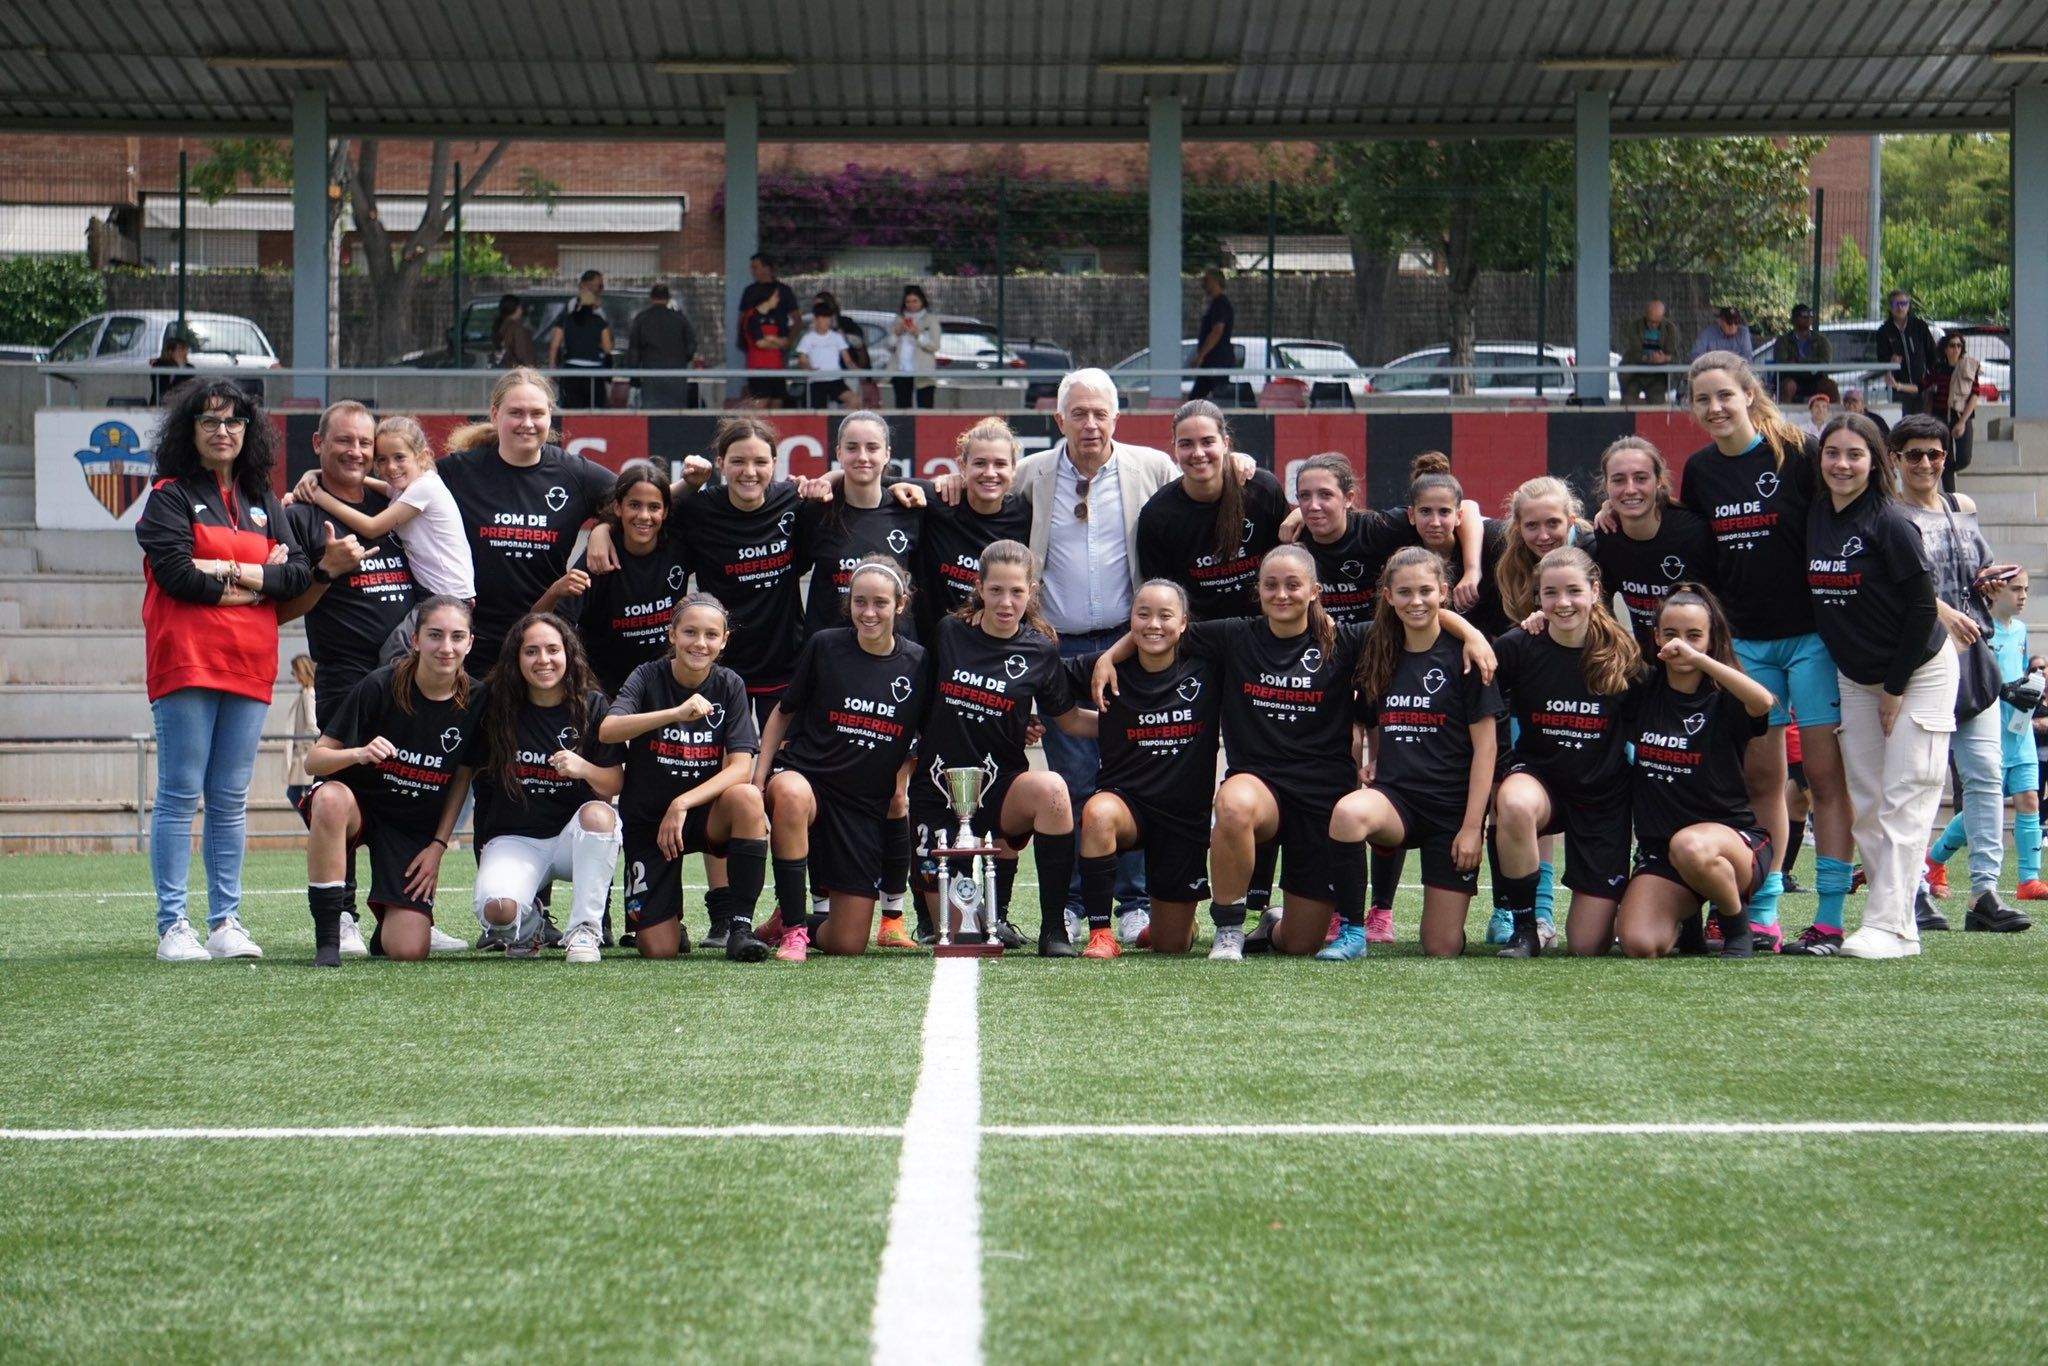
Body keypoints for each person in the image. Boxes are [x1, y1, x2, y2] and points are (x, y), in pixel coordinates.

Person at [1093, 543, 1495, 960]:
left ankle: (1274, 927)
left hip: (1322, 801)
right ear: (1259, 591)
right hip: (1259, 788)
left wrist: (1471, 633)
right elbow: (1162, 629)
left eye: (1292, 585)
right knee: (1232, 803)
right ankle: (1229, 929)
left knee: (1300, 945)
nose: (1281, 595)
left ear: (1315, 590)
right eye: (1271, 586)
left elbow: (1415, 616)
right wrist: (1110, 656)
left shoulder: (1343, 639)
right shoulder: (1235, 636)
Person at [1671, 350, 1846, 954]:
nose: (1715, 408)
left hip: (1811, 636)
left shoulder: (1795, 452)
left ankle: (1828, 914)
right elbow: (1690, 543)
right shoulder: (1699, 471)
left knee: (1823, 778)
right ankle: (1766, 907)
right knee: (1764, 778)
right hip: (1745, 643)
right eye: (1702, 399)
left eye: (1725, 395)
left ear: (1749, 393)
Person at [137, 377, 312, 963]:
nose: (222, 431)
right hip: (186, 660)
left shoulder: (265, 498)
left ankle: (225, 921)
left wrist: (222, 568)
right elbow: (177, 576)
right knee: (180, 792)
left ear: (248, 430)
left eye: (233, 421)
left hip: (249, 663)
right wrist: (256, 577)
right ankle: (172, 926)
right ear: (190, 431)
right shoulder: (168, 495)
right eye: (209, 421)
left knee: (230, 797)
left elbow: (297, 577)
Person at [1005, 368, 1181, 939]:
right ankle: (1080, 901)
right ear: (1059, 420)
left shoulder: (1152, 469)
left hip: (1134, 646)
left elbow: (1211, 493)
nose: (1089, 423)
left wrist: (1243, 465)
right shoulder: (1030, 475)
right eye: (1077, 413)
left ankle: (1133, 901)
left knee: (1130, 775)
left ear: (1116, 418)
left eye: (1099, 412)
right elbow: (978, 506)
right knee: (1073, 776)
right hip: (1059, 650)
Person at [1802, 411, 1954, 959]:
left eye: (1855, 454)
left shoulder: (1890, 522)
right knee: (1866, 802)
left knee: (1905, 799)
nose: (1842, 464)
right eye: (1832, 454)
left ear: (1877, 462)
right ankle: (1891, 922)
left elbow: (1920, 607)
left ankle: (1892, 928)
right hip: (1858, 676)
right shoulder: (1816, 513)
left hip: (1918, 673)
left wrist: (1894, 687)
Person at [1882, 414, 2031, 935]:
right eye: (1915, 454)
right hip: (1919, 661)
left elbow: (1979, 572)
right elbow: (1891, 589)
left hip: (1973, 660)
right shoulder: (1885, 514)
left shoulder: (1960, 507)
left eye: (1935, 454)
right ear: (1895, 459)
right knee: (1921, 780)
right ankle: (1916, 890)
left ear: (1947, 458)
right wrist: (1940, 611)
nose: (1926, 463)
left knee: (1986, 775)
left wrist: (1995, 579)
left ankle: (1984, 893)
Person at [911, 541, 1092, 956]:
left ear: (1031, 591)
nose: (1006, 602)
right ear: (979, 588)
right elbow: (921, 701)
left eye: (1016, 592)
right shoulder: (950, 633)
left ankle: (1053, 931)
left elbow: (1067, 719)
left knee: (1052, 790)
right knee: (959, 935)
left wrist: (1127, 724)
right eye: (995, 591)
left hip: (1000, 785)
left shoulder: (1041, 649)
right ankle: (944, 911)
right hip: (938, 788)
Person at [1329, 547, 1503, 960]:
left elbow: (1487, 749)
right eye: (1404, 592)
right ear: (1388, 596)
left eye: (1426, 590)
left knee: (1441, 947)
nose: (1416, 601)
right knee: (1348, 813)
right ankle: (1352, 931)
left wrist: (1470, 828)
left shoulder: (1467, 656)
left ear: (1443, 592)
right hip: (1397, 801)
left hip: (1450, 812)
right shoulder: (1378, 648)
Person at [756, 558, 931, 958]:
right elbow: (783, 712)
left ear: (900, 605)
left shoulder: (918, 662)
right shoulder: (825, 645)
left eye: (880, 603)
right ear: (849, 603)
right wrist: (759, 778)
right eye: (860, 602)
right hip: (809, 780)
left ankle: (789, 920)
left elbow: (928, 731)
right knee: (792, 793)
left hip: (862, 806)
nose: (869, 613)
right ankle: (795, 930)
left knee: (847, 943)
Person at [301, 596, 482, 966]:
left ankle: (387, 925)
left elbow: (462, 778)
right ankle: (329, 942)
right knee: (331, 799)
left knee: (408, 950)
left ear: (469, 643)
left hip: (410, 826)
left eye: (456, 637)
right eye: (435, 635)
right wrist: (359, 753)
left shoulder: (477, 699)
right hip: (358, 807)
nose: (445, 647)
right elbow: (313, 760)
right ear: (415, 640)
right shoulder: (379, 685)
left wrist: (437, 846)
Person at [597, 596, 772, 961]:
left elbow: (742, 767)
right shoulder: (646, 676)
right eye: (690, 632)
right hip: (649, 821)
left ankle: (738, 928)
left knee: (748, 798)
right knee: (657, 950)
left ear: (724, 641)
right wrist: (675, 712)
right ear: (672, 634)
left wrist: (682, 803)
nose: (700, 643)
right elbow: (609, 729)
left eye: (711, 635)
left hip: (701, 814)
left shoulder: (729, 684)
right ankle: (671, 921)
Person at [1488, 548, 1643, 956]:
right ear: (1537, 597)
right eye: (1551, 593)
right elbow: (1478, 698)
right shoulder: (1519, 645)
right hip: (1541, 778)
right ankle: (1525, 927)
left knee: (1586, 946)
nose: (1563, 603)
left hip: (1602, 794)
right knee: (1515, 803)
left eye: (1574, 591)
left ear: (1594, 591)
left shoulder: (1623, 653)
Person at [1613, 586, 1776, 958]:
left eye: (1693, 635)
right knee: (1639, 943)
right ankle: (1687, 924)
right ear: (1656, 637)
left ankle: (1736, 924)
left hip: (1729, 845)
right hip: (1664, 853)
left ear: (1711, 639)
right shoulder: (1644, 689)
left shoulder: (1724, 694)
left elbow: (1763, 701)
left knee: (1690, 845)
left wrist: (1700, 660)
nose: (1680, 644)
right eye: (1670, 634)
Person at [1068, 580, 1220, 957]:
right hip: (1128, 805)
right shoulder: (1109, 668)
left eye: (1166, 615)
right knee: (1097, 812)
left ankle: (1175, 922)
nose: (1154, 624)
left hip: (1183, 818)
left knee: (1171, 947)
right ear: (1130, 622)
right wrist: (1035, 718)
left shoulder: (1209, 665)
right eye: (1143, 614)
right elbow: (1046, 679)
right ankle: (1101, 933)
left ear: (1184, 623)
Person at [435, 368, 615, 674]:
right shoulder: (458, 472)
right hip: (471, 638)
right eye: (516, 413)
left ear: (550, 416)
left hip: (540, 639)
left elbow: (644, 501)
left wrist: (604, 526)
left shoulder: (575, 474)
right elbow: (399, 492)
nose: (527, 423)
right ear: (495, 414)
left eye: (537, 413)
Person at [467, 614, 625, 963]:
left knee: (600, 815)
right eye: (531, 651)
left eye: (553, 649)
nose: (543, 660)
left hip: (575, 839)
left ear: (568, 654)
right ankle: (531, 925)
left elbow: (614, 782)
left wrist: (582, 768)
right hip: (516, 838)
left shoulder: (592, 704)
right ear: (516, 658)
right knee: (498, 910)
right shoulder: (494, 705)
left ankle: (584, 930)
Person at [277, 402, 409, 731]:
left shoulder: (394, 504)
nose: (356, 452)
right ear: (318, 443)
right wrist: (325, 571)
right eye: (343, 441)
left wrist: (313, 476)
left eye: (365, 443)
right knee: (343, 782)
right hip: (347, 681)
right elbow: (278, 612)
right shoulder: (297, 516)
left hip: (411, 674)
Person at [1928, 568, 2047, 905]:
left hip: (2018, 727)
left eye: (2026, 589)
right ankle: (1934, 860)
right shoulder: (1978, 629)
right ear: (1993, 592)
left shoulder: (2021, 629)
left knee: (2029, 798)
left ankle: (2029, 879)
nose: (2023, 596)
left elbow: (2018, 668)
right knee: (1986, 803)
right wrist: (2004, 690)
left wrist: (2028, 689)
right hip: (1989, 724)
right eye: (2015, 589)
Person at [293, 416, 475, 603]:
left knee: (400, 634)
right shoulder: (405, 488)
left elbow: (372, 528)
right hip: (439, 593)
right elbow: (367, 481)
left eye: (399, 457)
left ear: (423, 456)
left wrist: (319, 496)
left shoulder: (425, 488)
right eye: (382, 460)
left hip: (447, 596)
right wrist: (314, 474)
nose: (391, 467)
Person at [545, 461, 689, 697]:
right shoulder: (599, 557)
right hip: (605, 688)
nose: (644, 516)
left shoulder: (679, 544)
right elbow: (556, 623)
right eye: (634, 505)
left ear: (665, 511)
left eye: (654, 507)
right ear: (618, 508)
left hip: (662, 684)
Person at [1135, 400, 1287, 622]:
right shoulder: (1157, 515)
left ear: (1225, 443)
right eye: (1186, 444)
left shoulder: (1263, 490)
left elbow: (1295, 552)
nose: (1198, 453)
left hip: (1267, 632)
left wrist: (1300, 514)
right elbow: (1162, 597)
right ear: (1174, 448)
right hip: (1199, 641)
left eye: (1207, 442)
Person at [796, 412, 928, 639]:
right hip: (831, 655)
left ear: (887, 454)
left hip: (895, 657)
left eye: (873, 448)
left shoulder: (910, 509)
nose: (862, 456)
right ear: (839, 452)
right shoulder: (815, 511)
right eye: (852, 448)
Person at [1589, 436, 1719, 655]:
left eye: (1641, 478)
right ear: (1606, 485)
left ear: (1658, 480)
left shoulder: (1692, 532)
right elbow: (1600, 603)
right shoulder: (1607, 534)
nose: (1630, 489)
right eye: (1618, 480)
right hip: (1649, 665)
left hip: (1703, 662)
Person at [915, 416, 1031, 635]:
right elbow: (872, 480)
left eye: (1000, 464)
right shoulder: (939, 500)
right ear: (962, 465)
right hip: (932, 647)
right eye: (979, 463)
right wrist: (834, 477)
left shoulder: (1025, 514)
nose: (989, 473)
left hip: (992, 648)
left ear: (1014, 468)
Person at [548, 270, 613, 410]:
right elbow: (608, 348)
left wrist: (553, 366)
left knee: (571, 413)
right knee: (595, 413)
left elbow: (555, 345)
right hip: (595, 374)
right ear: (594, 304)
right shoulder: (600, 321)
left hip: (571, 372)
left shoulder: (566, 320)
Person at [627, 283, 696, 410]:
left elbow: (634, 350)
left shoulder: (642, 319)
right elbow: (691, 346)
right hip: (676, 374)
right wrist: (681, 360)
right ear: (668, 298)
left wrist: (634, 377)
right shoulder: (679, 319)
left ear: (651, 298)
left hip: (651, 373)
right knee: (676, 414)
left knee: (652, 414)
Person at [1929, 333, 1982, 486]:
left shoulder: (1969, 366)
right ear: (1945, 349)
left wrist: (1962, 422)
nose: (1956, 349)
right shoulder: (1938, 368)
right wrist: (1898, 385)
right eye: (1952, 345)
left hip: (1961, 416)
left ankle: (1944, 470)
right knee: (1946, 456)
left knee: (1964, 459)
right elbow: (1922, 385)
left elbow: (1974, 394)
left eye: (1959, 346)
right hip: (1940, 416)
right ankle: (1951, 498)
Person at [1875, 290, 1939, 414]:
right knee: (1903, 427)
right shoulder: (1884, 331)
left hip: (1921, 388)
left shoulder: (1920, 327)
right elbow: (1881, 359)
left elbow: (1932, 354)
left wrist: (1933, 379)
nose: (1900, 307)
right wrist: (1890, 362)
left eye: (1904, 303)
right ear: (1890, 306)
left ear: (1908, 306)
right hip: (1898, 389)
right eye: (1896, 304)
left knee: (1922, 426)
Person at [794, 301, 856, 409]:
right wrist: (809, 368)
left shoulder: (837, 337)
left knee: (855, 401)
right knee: (819, 413)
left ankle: (841, 424)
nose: (827, 321)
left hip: (835, 379)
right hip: (817, 380)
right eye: (824, 317)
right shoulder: (808, 338)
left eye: (829, 318)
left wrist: (859, 372)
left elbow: (848, 360)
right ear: (816, 319)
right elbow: (802, 359)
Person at [888, 285, 941, 410]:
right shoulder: (899, 319)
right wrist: (897, 332)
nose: (911, 305)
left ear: (922, 301)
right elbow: (889, 345)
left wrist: (917, 334)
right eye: (908, 301)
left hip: (923, 371)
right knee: (902, 409)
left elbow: (934, 346)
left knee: (925, 409)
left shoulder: (930, 320)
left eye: (915, 301)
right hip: (900, 370)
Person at [1769, 304, 1834, 403]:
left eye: (1810, 316)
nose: (1808, 318)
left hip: (1815, 378)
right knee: (1788, 385)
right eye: (1803, 316)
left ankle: (1837, 416)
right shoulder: (1783, 341)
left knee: (1830, 385)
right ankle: (1784, 416)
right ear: (1794, 319)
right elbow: (1782, 361)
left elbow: (1825, 360)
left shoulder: (1821, 340)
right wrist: (1811, 363)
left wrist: (1798, 361)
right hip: (1791, 377)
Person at [1190, 269, 1236, 403]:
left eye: (1207, 280)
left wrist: (1200, 356)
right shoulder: (1216, 304)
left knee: (1218, 398)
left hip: (1217, 361)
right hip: (1211, 361)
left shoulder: (1220, 304)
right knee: (1196, 400)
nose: (1203, 284)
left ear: (1216, 282)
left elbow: (1217, 331)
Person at [1622, 299, 1675, 404]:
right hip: (1635, 372)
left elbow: (1672, 353)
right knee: (1627, 402)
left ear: (1662, 317)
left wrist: (1664, 358)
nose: (1653, 325)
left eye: (1657, 322)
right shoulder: (1634, 326)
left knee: (1658, 405)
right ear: (1645, 314)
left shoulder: (1670, 328)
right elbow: (1634, 352)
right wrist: (1650, 359)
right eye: (1650, 321)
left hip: (1657, 374)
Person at [284, 654, 317, 813]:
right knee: (301, 795)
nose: (294, 676)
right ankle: (315, 826)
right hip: (304, 754)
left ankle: (314, 826)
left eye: (294, 672)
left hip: (305, 754)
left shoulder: (308, 694)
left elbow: (312, 724)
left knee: (295, 794)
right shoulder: (307, 692)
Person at [149, 326, 192, 406]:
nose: (183, 353)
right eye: (179, 350)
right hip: (161, 404)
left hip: (182, 404)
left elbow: (188, 387)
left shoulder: (190, 368)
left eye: (184, 350)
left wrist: (181, 367)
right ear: (170, 352)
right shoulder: (159, 365)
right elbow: (160, 389)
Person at [491, 295, 536, 369]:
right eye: (520, 307)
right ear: (517, 308)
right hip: (518, 372)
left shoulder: (501, 326)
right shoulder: (517, 330)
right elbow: (523, 355)